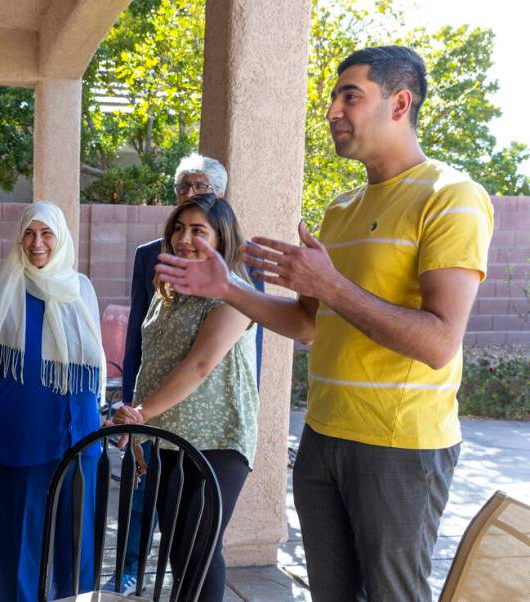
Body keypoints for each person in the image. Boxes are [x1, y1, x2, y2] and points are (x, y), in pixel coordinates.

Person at [155, 46, 494, 600]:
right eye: (333, 97)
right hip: (322, 436)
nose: (333, 110)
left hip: (399, 445)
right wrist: (227, 289)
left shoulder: (451, 196)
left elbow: (438, 342)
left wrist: (331, 283)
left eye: (350, 96)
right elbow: (309, 324)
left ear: (400, 103)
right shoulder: (341, 210)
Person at [108, 153, 264, 595]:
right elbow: (151, 359)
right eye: (179, 228)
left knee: (199, 551)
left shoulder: (236, 294)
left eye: (199, 230)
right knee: (178, 552)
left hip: (216, 440)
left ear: (221, 238)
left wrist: (138, 415)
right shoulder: (167, 291)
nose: (184, 238)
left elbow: (197, 367)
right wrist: (144, 432)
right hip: (165, 438)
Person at [0, 201, 106, 602]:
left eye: (46, 234)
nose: (36, 242)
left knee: (75, 549)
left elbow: (93, 367)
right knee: (16, 548)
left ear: (60, 239)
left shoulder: (81, 289)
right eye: (29, 233)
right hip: (17, 443)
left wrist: (103, 412)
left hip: (79, 442)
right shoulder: (3, 292)